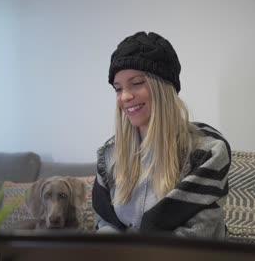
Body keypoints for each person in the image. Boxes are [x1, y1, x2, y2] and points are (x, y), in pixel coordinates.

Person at [92, 31, 231, 239]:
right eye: (118, 89)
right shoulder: (109, 155)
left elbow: (195, 236)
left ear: (163, 87)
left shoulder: (208, 151)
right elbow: (105, 225)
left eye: (137, 83)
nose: (125, 96)